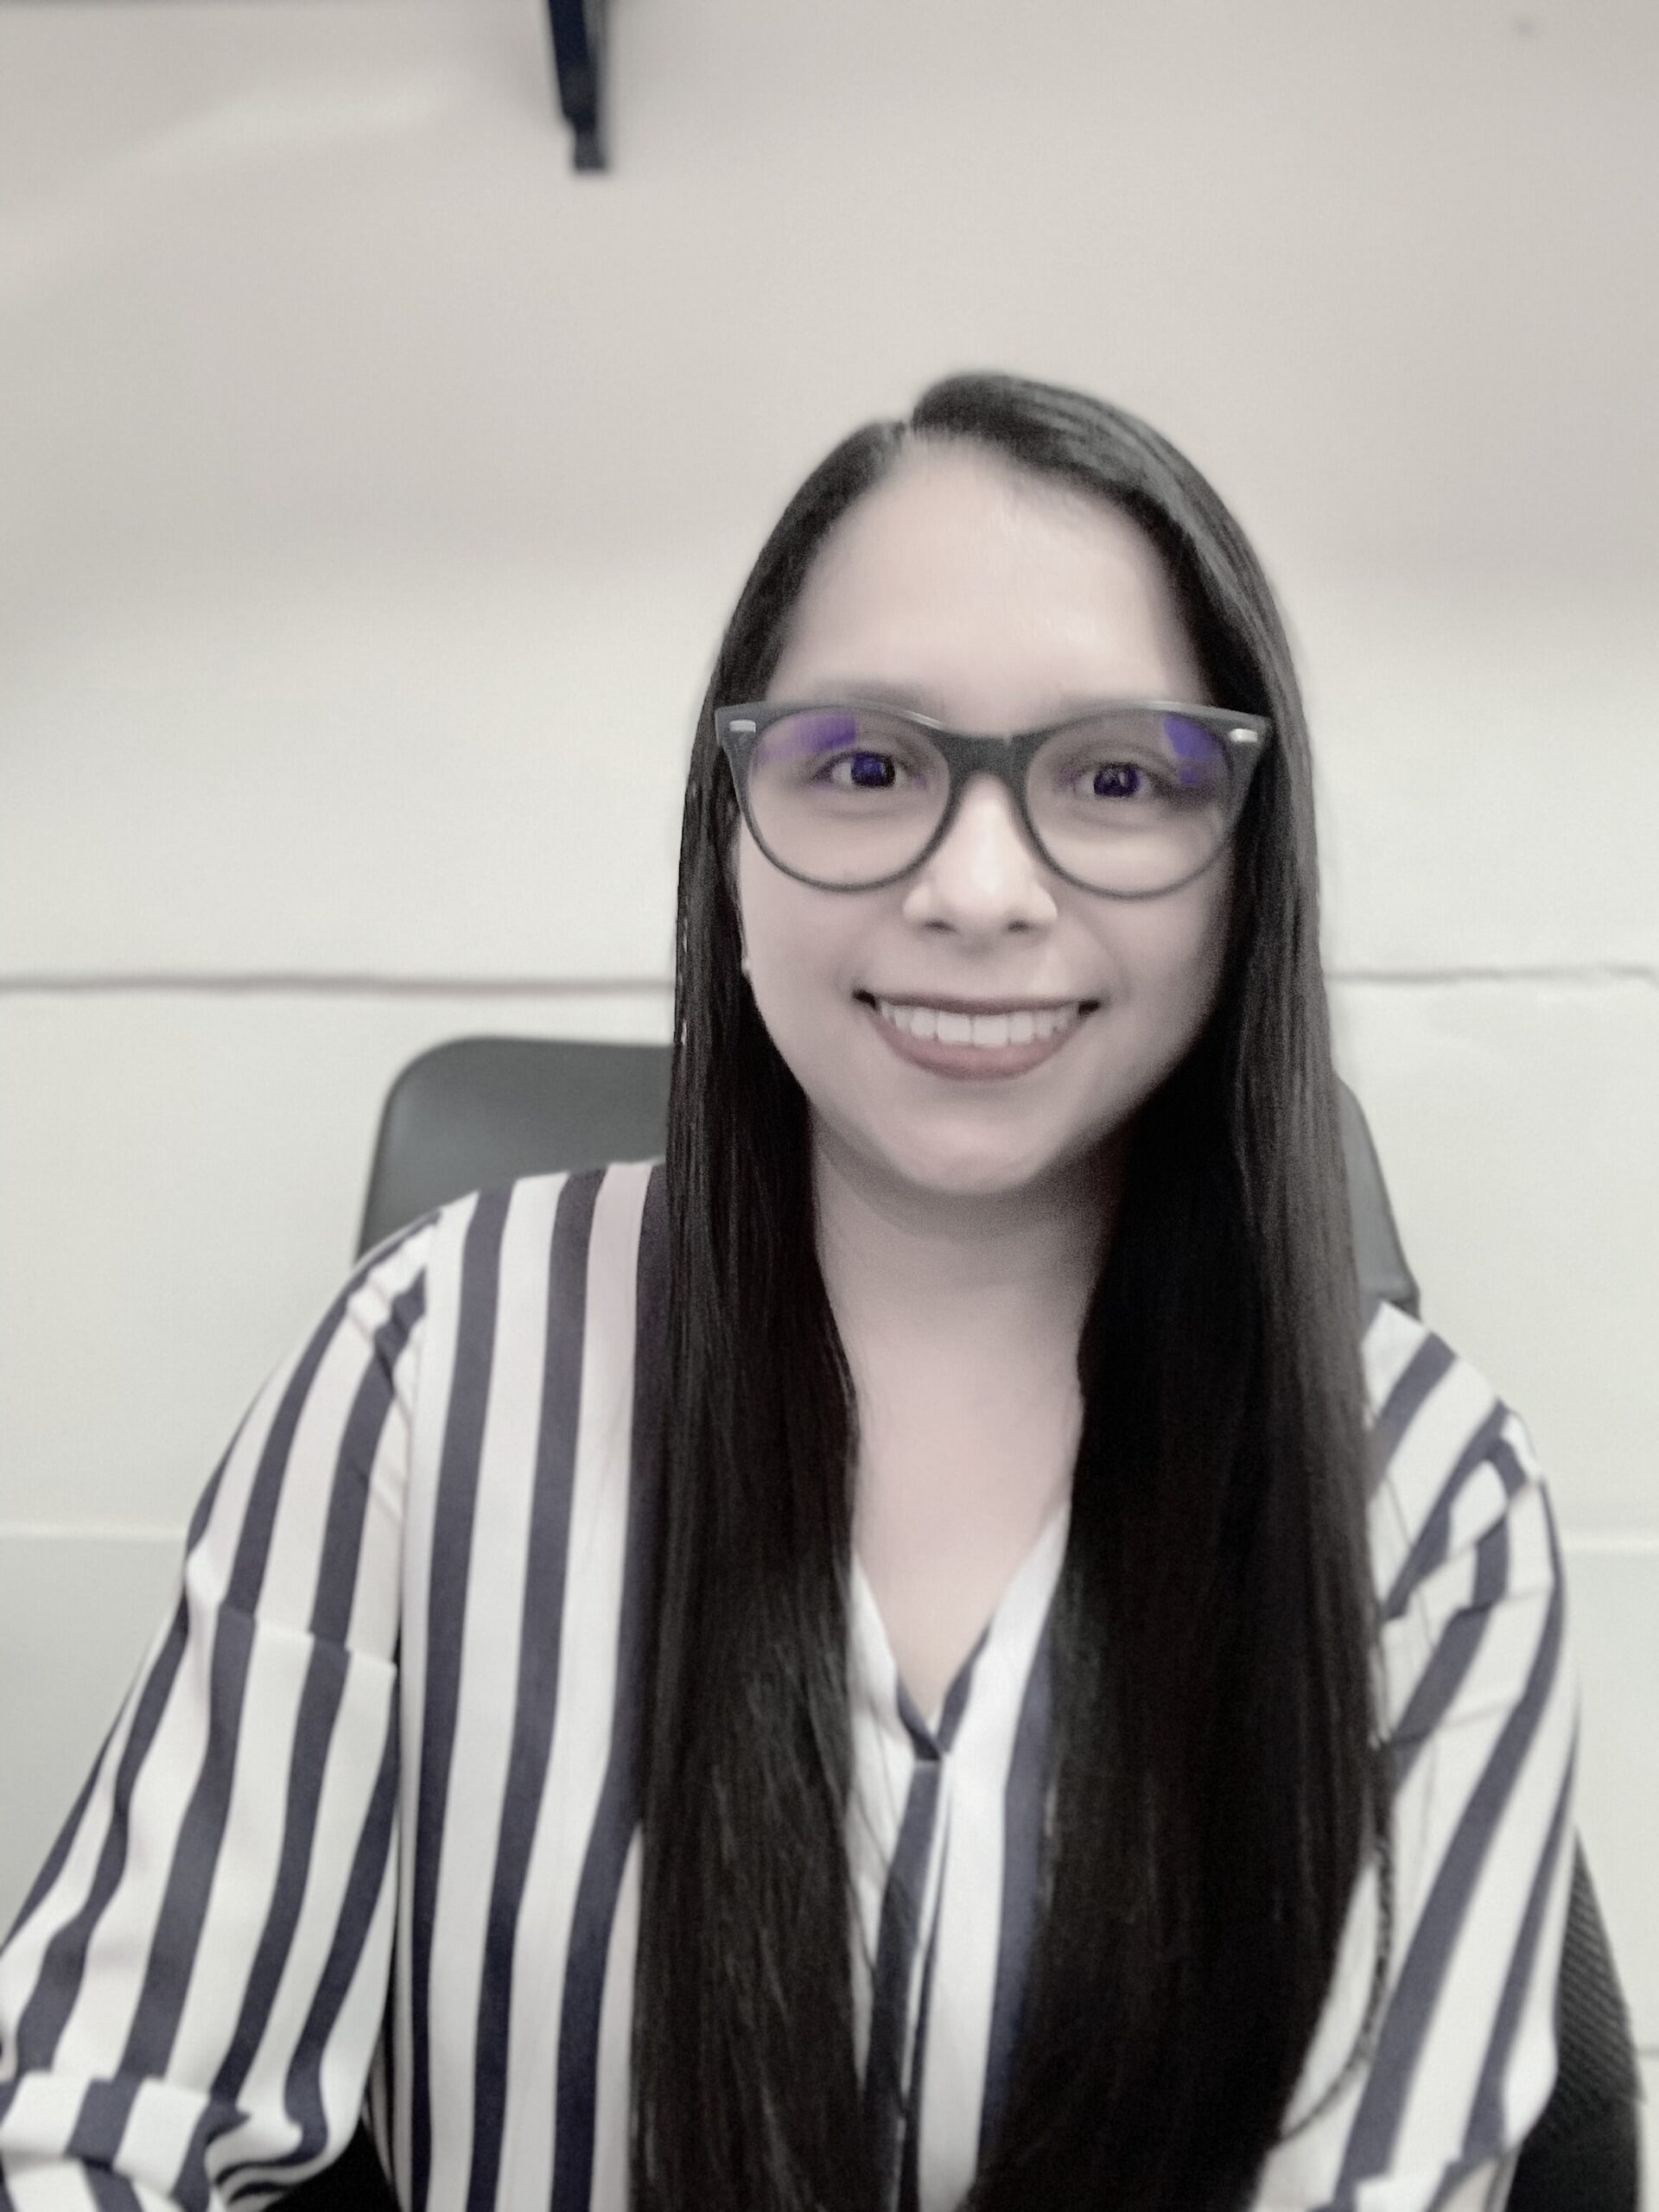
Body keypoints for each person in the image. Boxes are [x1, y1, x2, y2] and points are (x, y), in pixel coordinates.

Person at [0, 372, 1576, 2212]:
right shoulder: (430, 1363)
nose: (978, 890)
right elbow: (93, 2125)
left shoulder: (1434, 1502)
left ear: (1245, 860)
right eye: (866, 765)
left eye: (1119, 777)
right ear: (732, 830)